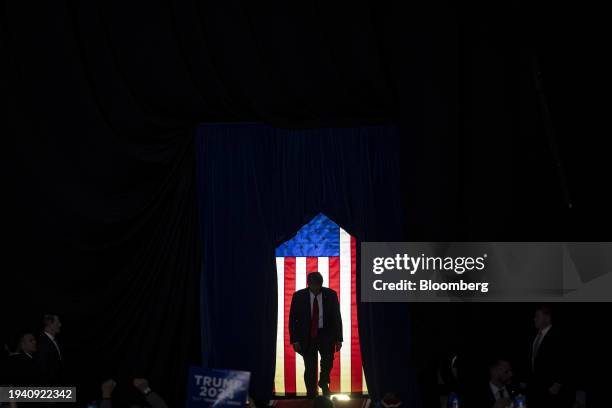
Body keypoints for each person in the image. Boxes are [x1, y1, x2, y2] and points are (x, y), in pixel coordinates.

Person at [289, 272, 343, 398]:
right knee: (309, 366)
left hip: (326, 335)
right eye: (313, 285)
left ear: (321, 284)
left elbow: (337, 318)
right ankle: (311, 393)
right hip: (306, 336)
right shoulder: (299, 296)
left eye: (318, 285)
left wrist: (339, 339)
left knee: (328, 362)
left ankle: (324, 384)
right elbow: (292, 319)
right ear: (308, 284)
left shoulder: (331, 294)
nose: (315, 288)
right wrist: (295, 340)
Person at [527, 305, 573, 408]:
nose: (534, 319)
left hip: (551, 388)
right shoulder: (534, 336)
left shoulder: (559, 335)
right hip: (535, 387)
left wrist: (558, 383)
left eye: (537, 316)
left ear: (547, 318)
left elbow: (567, 360)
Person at [36, 314, 63, 385]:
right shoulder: (42, 342)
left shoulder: (55, 340)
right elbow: (43, 370)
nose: (60, 325)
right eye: (58, 323)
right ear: (49, 324)